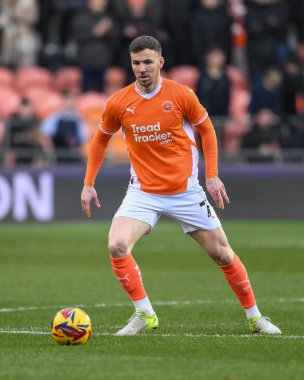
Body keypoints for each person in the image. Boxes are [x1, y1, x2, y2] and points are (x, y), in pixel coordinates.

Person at [81, 35, 281, 336]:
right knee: (117, 245)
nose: (142, 68)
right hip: (143, 192)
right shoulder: (119, 101)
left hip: (185, 192)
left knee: (224, 255)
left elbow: (207, 130)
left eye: (148, 61)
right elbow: (100, 139)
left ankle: (255, 317)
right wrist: (88, 183)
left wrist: (212, 175)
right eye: (136, 62)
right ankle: (144, 314)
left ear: (160, 62)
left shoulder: (180, 94)